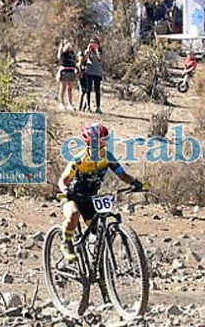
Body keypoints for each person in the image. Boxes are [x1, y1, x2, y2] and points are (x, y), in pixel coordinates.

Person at [57, 121, 142, 261]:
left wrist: (134, 183)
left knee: (98, 233)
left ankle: (101, 272)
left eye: (102, 144)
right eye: (96, 145)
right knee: (73, 214)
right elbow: (63, 180)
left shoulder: (108, 157)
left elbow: (122, 175)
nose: (100, 148)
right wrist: (65, 191)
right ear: (88, 145)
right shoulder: (79, 159)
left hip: (91, 198)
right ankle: (66, 242)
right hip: (73, 197)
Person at [83, 36, 104, 113]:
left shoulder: (100, 50)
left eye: (94, 42)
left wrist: (97, 50)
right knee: (88, 89)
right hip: (89, 71)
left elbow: (100, 59)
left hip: (97, 72)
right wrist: (88, 50)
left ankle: (98, 107)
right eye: (91, 42)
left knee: (97, 90)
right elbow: (85, 59)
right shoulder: (87, 50)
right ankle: (88, 106)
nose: (93, 44)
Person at [57, 39, 78, 110]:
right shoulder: (63, 52)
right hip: (64, 70)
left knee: (70, 88)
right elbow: (60, 55)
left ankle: (70, 104)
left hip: (71, 70)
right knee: (63, 87)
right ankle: (61, 103)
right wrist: (66, 45)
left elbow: (74, 61)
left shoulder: (72, 53)